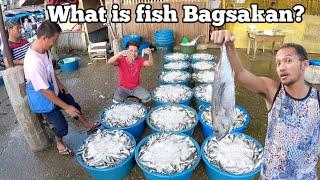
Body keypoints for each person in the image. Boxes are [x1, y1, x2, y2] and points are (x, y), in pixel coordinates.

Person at [210, 30, 320, 179]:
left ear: (304, 65)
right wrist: (230, 47)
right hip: (270, 175)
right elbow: (241, 75)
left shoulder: (317, 100)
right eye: (278, 63)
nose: (281, 67)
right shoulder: (273, 91)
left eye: (288, 60)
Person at [24, 20, 100, 156]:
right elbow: (44, 91)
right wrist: (65, 107)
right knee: (61, 127)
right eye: (54, 40)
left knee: (74, 106)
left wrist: (59, 83)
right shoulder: (33, 63)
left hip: (52, 87)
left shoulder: (45, 49)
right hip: (44, 96)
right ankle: (59, 142)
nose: (56, 43)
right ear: (44, 38)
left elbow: (50, 70)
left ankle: (88, 126)